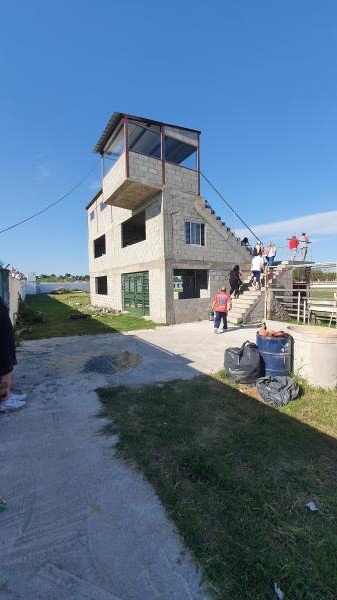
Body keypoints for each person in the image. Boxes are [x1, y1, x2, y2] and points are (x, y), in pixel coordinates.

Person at [0, 297, 26, 413]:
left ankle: (8, 394)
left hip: (5, 339)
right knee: (4, 369)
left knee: (8, 366)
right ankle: (5, 400)